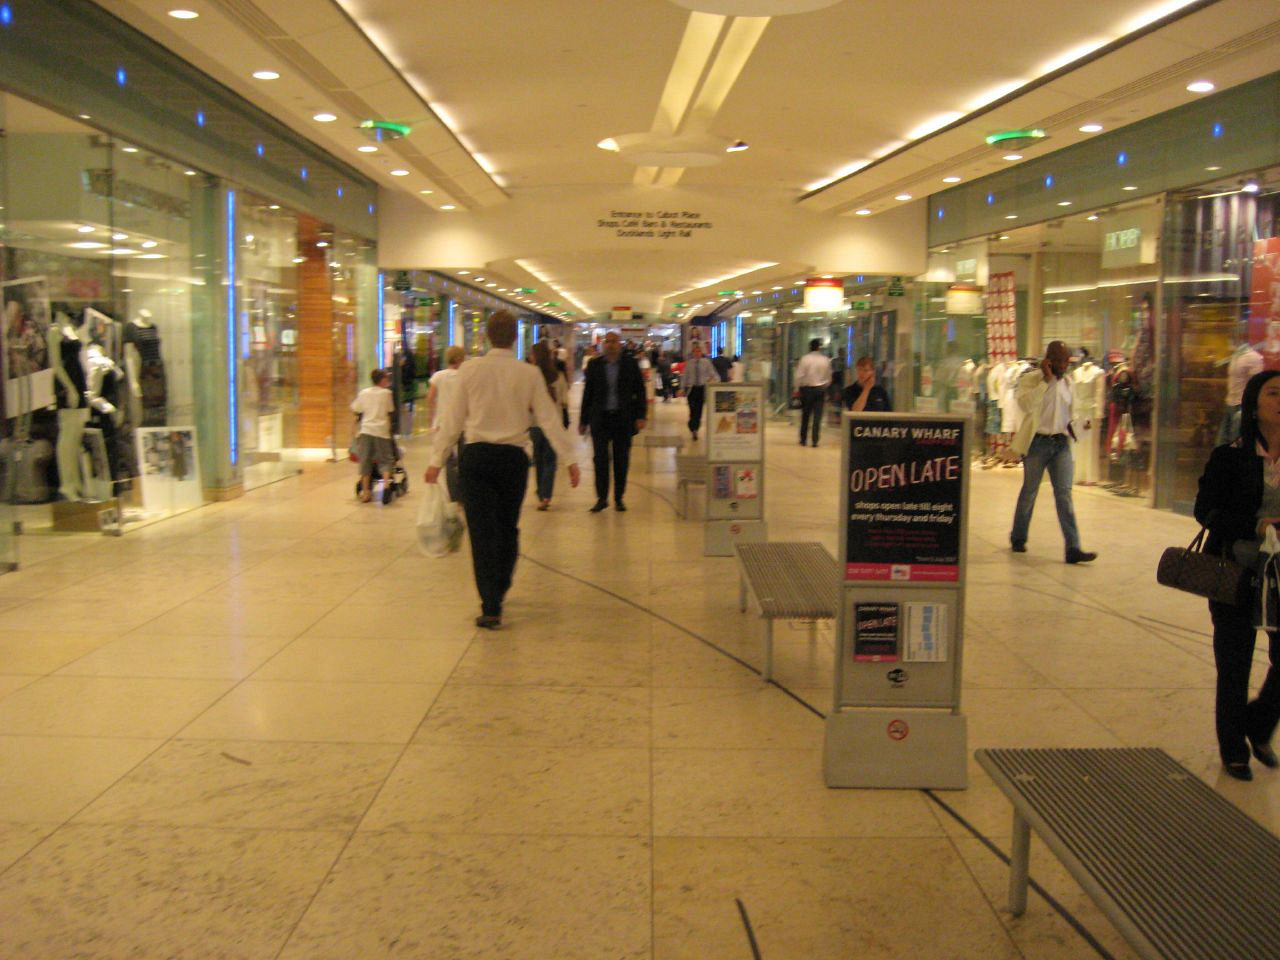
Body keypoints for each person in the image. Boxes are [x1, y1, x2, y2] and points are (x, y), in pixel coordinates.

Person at [425, 311, 580, 629]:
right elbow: (549, 418)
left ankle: (490, 604)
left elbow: (453, 420)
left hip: (477, 458)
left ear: (487, 336)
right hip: (513, 460)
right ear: (514, 337)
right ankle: (502, 583)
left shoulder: (469, 370)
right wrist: (570, 459)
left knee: (482, 533)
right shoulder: (528, 374)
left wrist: (436, 461)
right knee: (508, 527)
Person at [1194, 369, 1280, 781]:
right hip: (1237, 572)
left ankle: (1258, 723)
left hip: (1279, 578)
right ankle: (1234, 749)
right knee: (1234, 663)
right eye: (1274, 393)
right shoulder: (1230, 456)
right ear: (1254, 405)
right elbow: (1206, 511)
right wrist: (1256, 526)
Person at [1008, 340, 1096, 563]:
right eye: (1058, 360)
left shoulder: (1068, 383)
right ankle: (1018, 537)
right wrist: (1045, 381)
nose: (1063, 365)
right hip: (1037, 443)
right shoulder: (1030, 379)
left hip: (1061, 444)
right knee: (1030, 491)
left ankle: (1073, 547)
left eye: (1066, 361)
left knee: (1064, 494)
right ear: (1048, 360)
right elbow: (1025, 405)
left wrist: (1081, 425)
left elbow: (1070, 414)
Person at [579, 331, 647, 512]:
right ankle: (602, 498)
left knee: (621, 460)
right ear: (603, 344)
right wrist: (583, 421)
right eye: (607, 342)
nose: (610, 345)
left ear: (620, 344)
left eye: (614, 342)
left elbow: (640, 391)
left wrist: (641, 415)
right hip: (600, 419)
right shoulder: (594, 365)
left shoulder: (630, 364)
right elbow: (588, 394)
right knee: (600, 460)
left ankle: (618, 498)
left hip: (622, 419)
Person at [529, 340, 569, 510]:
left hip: (535, 424)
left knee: (538, 460)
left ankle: (541, 492)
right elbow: (565, 401)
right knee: (550, 460)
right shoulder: (559, 377)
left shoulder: (531, 377)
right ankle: (546, 496)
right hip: (553, 424)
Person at [350, 368, 396, 503]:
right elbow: (390, 411)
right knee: (385, 459)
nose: (387, 381)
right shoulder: (387, 393)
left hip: (366, 430)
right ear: (382, 380)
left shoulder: (364, 393)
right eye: (386, 379)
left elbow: (356, 409)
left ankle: (366, 492)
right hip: (382, 431)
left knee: (365, 460)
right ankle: (386, 486)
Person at [428, 345, 466, 501]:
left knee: (449, 459)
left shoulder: (438, 376)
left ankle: (453, 495)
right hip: (463, 423)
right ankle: (464, 493)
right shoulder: (464, 376)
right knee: (464, 458)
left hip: (443, 422)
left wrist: (433, 417)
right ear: (460, 359)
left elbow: (430, 398)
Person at [794, 338, 832, 446]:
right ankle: (815, 440)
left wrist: (797, 388)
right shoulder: (825, 360)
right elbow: (829, 377)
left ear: (810, 347)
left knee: (805, 415)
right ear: (819, 347)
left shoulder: (805, 359)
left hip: (807, 390)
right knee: (817, 416)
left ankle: (803, 439)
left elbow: (798, 376)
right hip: (820, 390)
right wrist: (824, 386)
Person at [682, 341, 717, 441]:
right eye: (695, 351)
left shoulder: (706, 362)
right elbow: (685, 376)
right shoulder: (689, 363)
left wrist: (714, 381)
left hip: (701, 389)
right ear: (693, 353)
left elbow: (713, 374)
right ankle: (692, 425)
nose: (697, 353)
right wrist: (681, 388)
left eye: (699, 351)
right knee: (692, 410)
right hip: (692, 389)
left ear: (701, 352)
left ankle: (695, 430)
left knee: (699, 411)